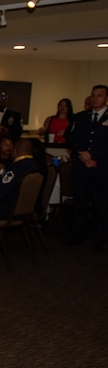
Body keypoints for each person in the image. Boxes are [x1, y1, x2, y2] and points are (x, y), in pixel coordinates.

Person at [67, 84, 108, 250]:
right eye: (93, 95)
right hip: (82, 166)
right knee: (80, 203)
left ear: (105, 98)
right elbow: (72, 138)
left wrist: (94, 156)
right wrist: (82, 154)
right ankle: (77, 235)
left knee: (103, 205)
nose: (95, 98)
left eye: (99, 95)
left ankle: (102, 239)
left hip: (102, 167)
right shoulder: (80, 117)